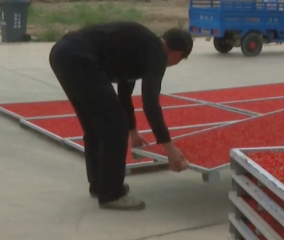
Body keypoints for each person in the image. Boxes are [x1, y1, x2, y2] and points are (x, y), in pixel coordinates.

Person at [48, 21, 193, 211]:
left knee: (96, 126)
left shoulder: (142, 47)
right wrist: (170, 149)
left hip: (63, 53)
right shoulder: (156, 53)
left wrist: (133, 131)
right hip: (80, 58)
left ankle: (101, 185)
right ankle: (111, 194)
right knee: (114, 127)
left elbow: (125, 93)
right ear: (178, 53)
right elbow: (150, 103)